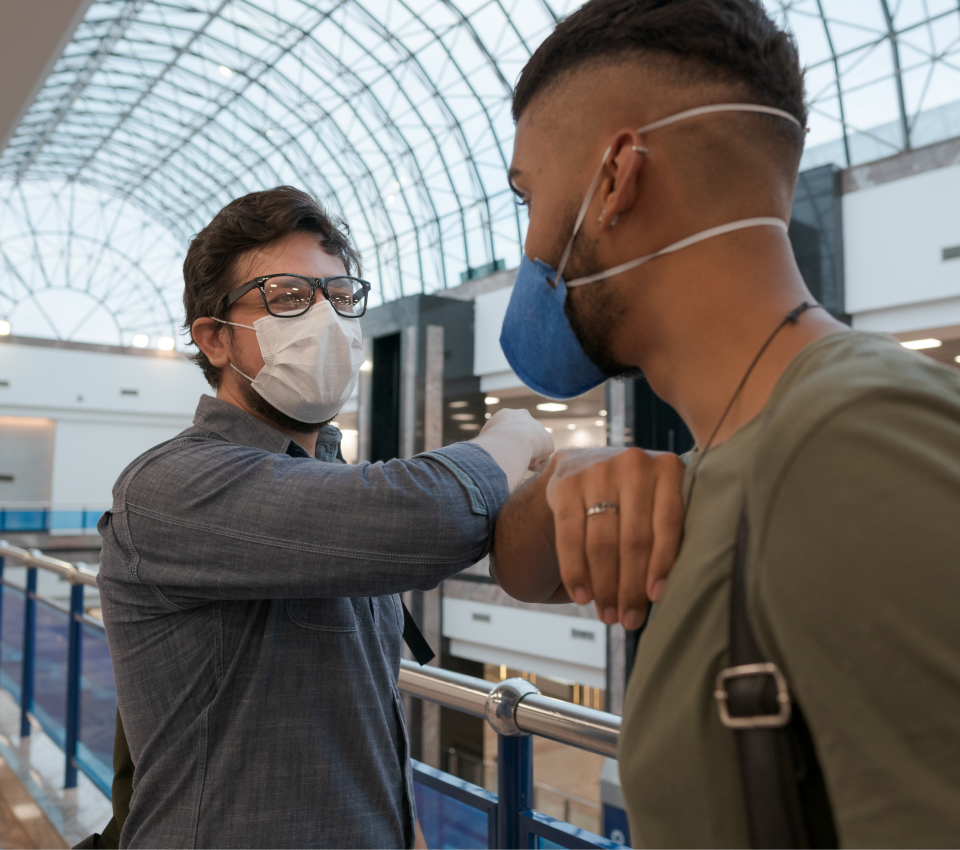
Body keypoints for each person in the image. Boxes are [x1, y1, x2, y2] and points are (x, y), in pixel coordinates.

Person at [489, 0, 960, 846]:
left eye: (529, 195)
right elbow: (516, 558)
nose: (525, 247)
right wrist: (571, 477)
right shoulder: (750, 448)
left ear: (615, 180)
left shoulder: (869, 443)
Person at [91, 186, 682, 848]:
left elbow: (366, 716)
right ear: (216, 339)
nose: (326, 318)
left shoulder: (335, 482)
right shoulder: (171, 487)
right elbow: (426, 516)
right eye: (288, 297)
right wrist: (509, 441)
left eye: (340, 296)